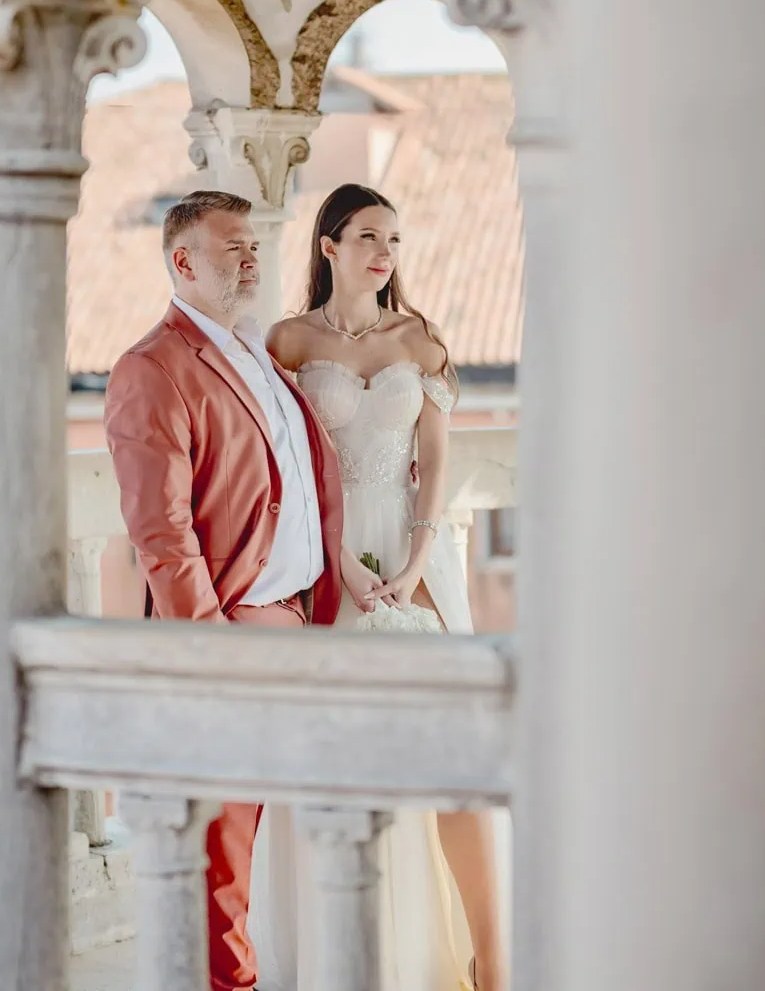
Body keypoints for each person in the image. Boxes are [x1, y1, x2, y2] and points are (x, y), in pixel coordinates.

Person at [103, 190, 381, 991]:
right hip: (235, 628)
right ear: (183, 261)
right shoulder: (152, 367)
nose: (251, 257)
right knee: (221, 849)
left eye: (254, 244)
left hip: (298, 617)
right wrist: (213, 648)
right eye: (232, 247)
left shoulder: (255, 350)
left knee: (280, 841)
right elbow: (162, 534)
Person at [250, 183, 505, 991]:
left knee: (452, 758)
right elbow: (279, 465)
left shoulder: (420, 340)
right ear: (328, 246)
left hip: (408, 555)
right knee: (328, 756)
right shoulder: (287, 341)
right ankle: (335, 952)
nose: (383, 251)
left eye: (392, 238)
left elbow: (435, 464)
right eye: (366, 236)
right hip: (324, 564)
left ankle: (487, 954)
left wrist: (415, 566)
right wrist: (329, 556)